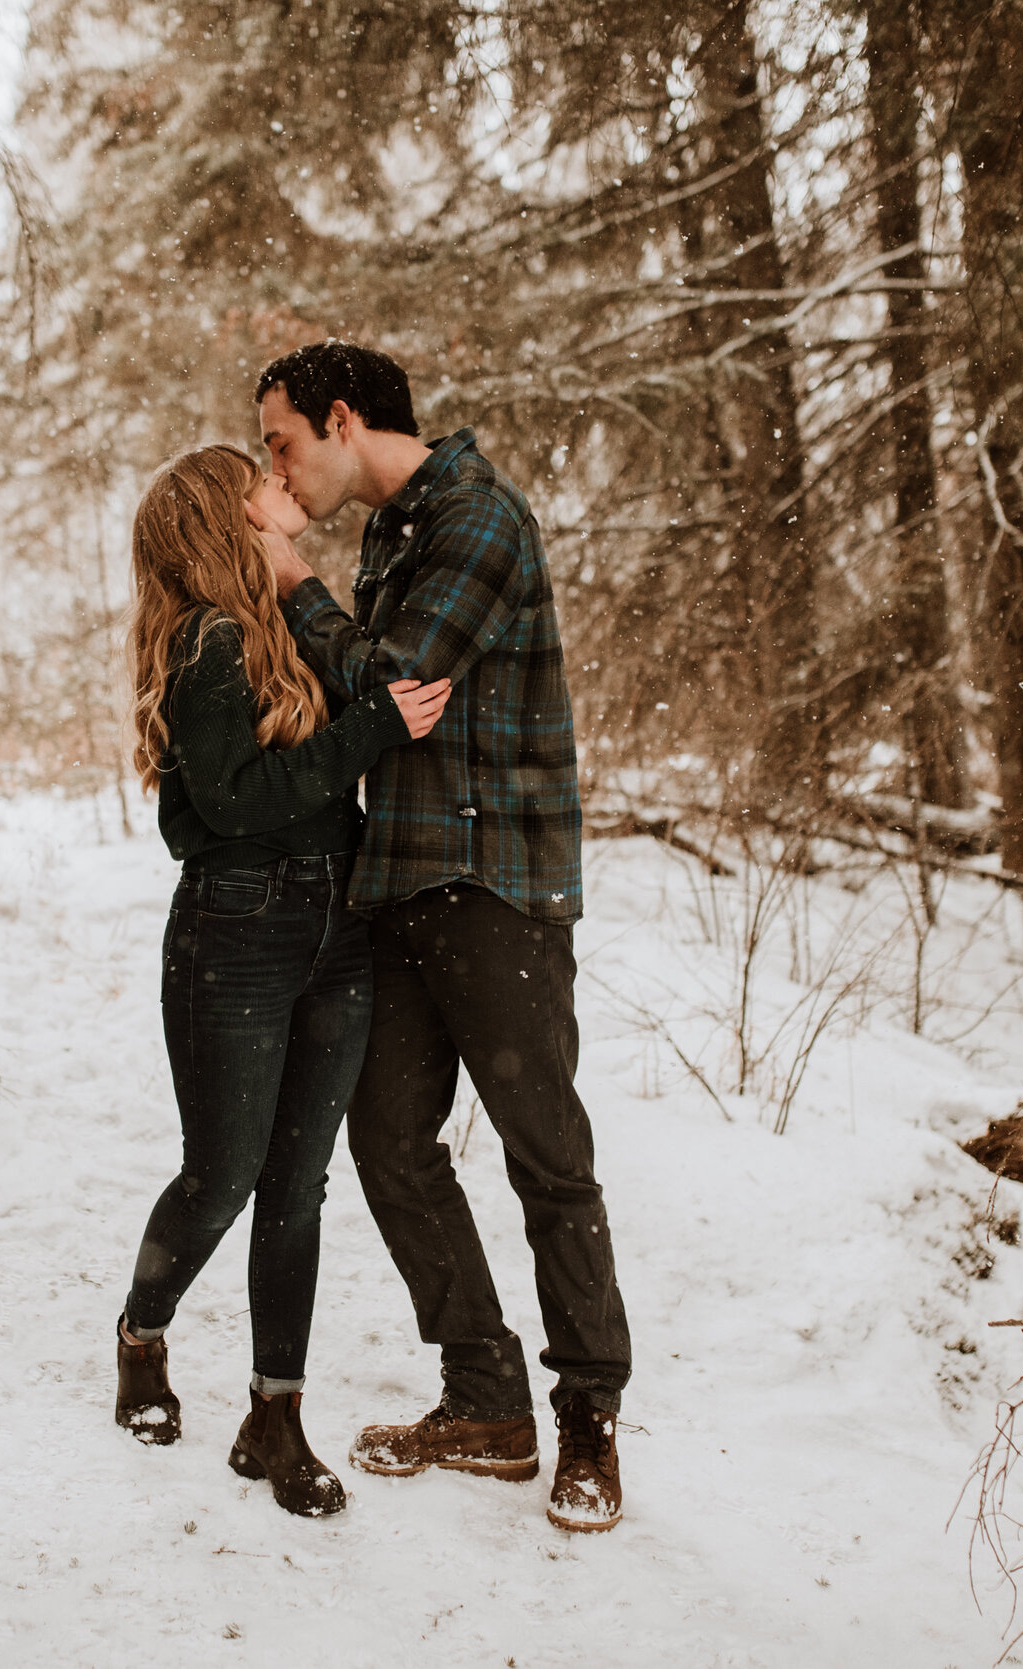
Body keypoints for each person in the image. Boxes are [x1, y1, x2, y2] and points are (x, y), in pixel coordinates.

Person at [245, 341, 633, 1534]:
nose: (278, 467)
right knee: (387, 1141)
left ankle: (587, 1427)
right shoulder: (400, 531)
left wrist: (290, 581)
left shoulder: (477, 518)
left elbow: (400, 686)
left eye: (282, 441)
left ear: (344, 417)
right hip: (405, 885)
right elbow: (381, 714)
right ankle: (485, 1397)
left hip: (500, 888)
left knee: (545, 1158)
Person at [113, 444, 451, 1519]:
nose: (283, 487)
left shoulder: (284, 628)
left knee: (297, 1190)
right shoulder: (209, 642)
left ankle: (275, 1414)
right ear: (229, 519)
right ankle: (141, 1333)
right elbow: (235, 806)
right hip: (237, 935)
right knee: (221, 1177)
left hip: (335, 931)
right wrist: (369, 730)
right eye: (260, 483)